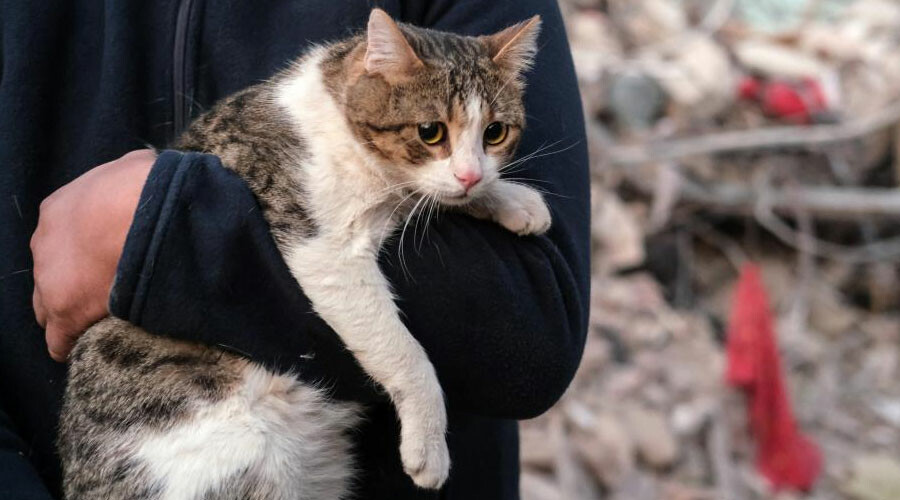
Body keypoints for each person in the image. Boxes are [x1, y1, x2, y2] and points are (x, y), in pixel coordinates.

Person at [2, 0, 590, 498]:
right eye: (433, 134)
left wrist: (158, 227)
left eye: (494, 137)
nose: (470, 172)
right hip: (173, 433)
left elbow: (537, 334)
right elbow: (331, 249)